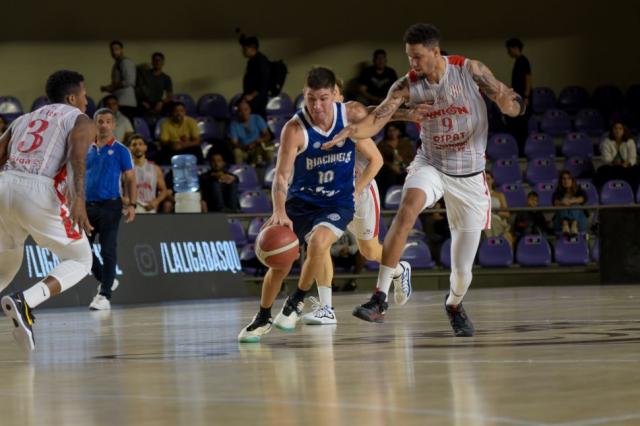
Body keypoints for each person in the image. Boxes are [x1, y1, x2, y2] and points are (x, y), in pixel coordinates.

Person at [322, 23, 525, 335]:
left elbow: (511, 101)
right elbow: (377, 118)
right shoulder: (406, 85)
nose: (412, 63)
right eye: (408, 56)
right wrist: (350, 131)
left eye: (417, 57)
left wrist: (509, 106)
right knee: (407, 209)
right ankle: (379, 299)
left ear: (435, 51)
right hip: (431, 163)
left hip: (469, 176)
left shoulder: (469, 70)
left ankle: (454, 304)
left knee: (462, 272)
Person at [301, 79, 413, 325]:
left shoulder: (350, 124)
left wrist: (354, 191)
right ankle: (326, 308)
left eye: (332, 94)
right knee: (318, 242)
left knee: (369, 251)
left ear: (340, 98)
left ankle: (398, 269)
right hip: (330, 195)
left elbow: (377, 161)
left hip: (360, 193)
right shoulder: (309, 125)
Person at [0, 70, 96, 351]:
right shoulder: (80, 119)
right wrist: (78, 199)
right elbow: (77, 158)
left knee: (6, 264)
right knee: (81, 259)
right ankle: (26, 301)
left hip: (4, 185)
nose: (87, 100)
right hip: (38, 191)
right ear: (72, 98)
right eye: (84, 94)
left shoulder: (23, 119)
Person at [85, 108, 137, 310]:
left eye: (108, 121)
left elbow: (130, 179)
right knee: (82, 250)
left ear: (113, 125)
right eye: (100, 121)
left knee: (107, 249)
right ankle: (106, 279)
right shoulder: (86, 148)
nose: (104, 125)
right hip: (87, 207)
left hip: (110, 206)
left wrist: (132, 205)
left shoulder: (121, 150)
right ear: (94, 124)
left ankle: (104, 295)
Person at [126, 133, 168, 214]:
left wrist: (156, 202)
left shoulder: (155, 168)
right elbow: (116, 191)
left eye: (140, 144)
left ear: (145, 147)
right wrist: (124, 200)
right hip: (131, 210)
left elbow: (164, 190)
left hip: (150, 209)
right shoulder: (124, 169)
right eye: (134, 145)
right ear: (129, 148)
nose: (137, 147)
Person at [505, 37, 532, 154]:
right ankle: (518, 149)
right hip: (518, 98)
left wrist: (526, 96)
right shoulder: (518, 61)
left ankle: (522, 150)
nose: (508, 52)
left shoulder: (523, 61)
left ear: (515, 48)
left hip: (522, 99)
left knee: (521, 126)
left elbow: (528, 78)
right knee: (516, 125)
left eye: (509, 49)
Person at [376, 122, 416, 200]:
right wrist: (391, 166)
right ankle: (387, 199)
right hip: (388, 171)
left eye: (394, 130)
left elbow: (412, 157)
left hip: (405, 168)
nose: (392, 132)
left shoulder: (406, 143)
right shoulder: (381, 145)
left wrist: (403, 162)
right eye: (390, 130)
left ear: (399, 131)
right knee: (389, 176)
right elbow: (380, 160)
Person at [595, 122, 638, 191]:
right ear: (612, 130)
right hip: (612, 167)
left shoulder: (630, 141)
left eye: (620, 128)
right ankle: (605, 192)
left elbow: (633, 158)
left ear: (624, 130)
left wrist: (627, 163)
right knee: (601, 171)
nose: (617, 131)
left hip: (626, 167)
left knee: (636, 170)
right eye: (615, 128)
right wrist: (613, 162)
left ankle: (633, 192)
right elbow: (606, 158)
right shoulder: (606, 142)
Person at [100, 40, 137, 120]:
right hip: (120, 102)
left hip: (126, 103)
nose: (114, 52)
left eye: (116, 49)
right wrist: (108, 88)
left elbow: (130, 81)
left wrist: (112, 87)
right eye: (112, 50)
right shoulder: (117, 64)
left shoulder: (125, 62)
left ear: (122, 50)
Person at [229, 99, 273, 165]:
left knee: (269, 151)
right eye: (240, 110)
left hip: (258, 147)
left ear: (250, 110)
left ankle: (272, 170)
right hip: (244, 150)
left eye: (246, 109)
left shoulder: (257, 118)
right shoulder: (233, 124)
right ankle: (240, 170)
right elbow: (234, 143)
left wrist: (257, 142)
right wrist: (245, 147)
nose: (243, 112)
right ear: (237, 112)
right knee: (236, 152)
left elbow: (267, 135)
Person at [239, 34, 271, 118]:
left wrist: (252, 95)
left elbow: (264, 82)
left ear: (252, 48)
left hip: (257, 101)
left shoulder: (261, 61)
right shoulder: (252, 61)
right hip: (251, 100)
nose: (243, 51)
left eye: (245, 49)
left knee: (258, 121)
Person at [137, 52, 173, 118]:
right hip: (145, 102)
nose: (157, 62)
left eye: (159, 60)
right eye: (155, 60)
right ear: (152, 62)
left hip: (158, 103)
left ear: (163, 63)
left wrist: (161, 102)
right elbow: (137, 90)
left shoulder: (166, 78)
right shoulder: (144, 75)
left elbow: (169, 96)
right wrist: (142, 101)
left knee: (171, 105)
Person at [552, 170, 588, 237]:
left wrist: (572, 201)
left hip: (579, 221)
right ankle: (565, 224)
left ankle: (574, 224)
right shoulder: (558, 191)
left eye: (569, 178)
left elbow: (583, 198)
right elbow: (554, 202)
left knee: (576, 205)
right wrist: (562, 202)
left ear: (572, 180)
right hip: (560, 222)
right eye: (564, 179)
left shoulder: (578, 189)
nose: (566, 181)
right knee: (562, 203)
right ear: (560, 181)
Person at [485, 170, 514, 246]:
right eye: (484, 179)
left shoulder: (499, 195)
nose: (486, 181)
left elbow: (507, 214)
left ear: (492, 180)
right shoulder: (478, 196)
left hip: (497, 220)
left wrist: (496, 212)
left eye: (488, 179)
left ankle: (491, 243)